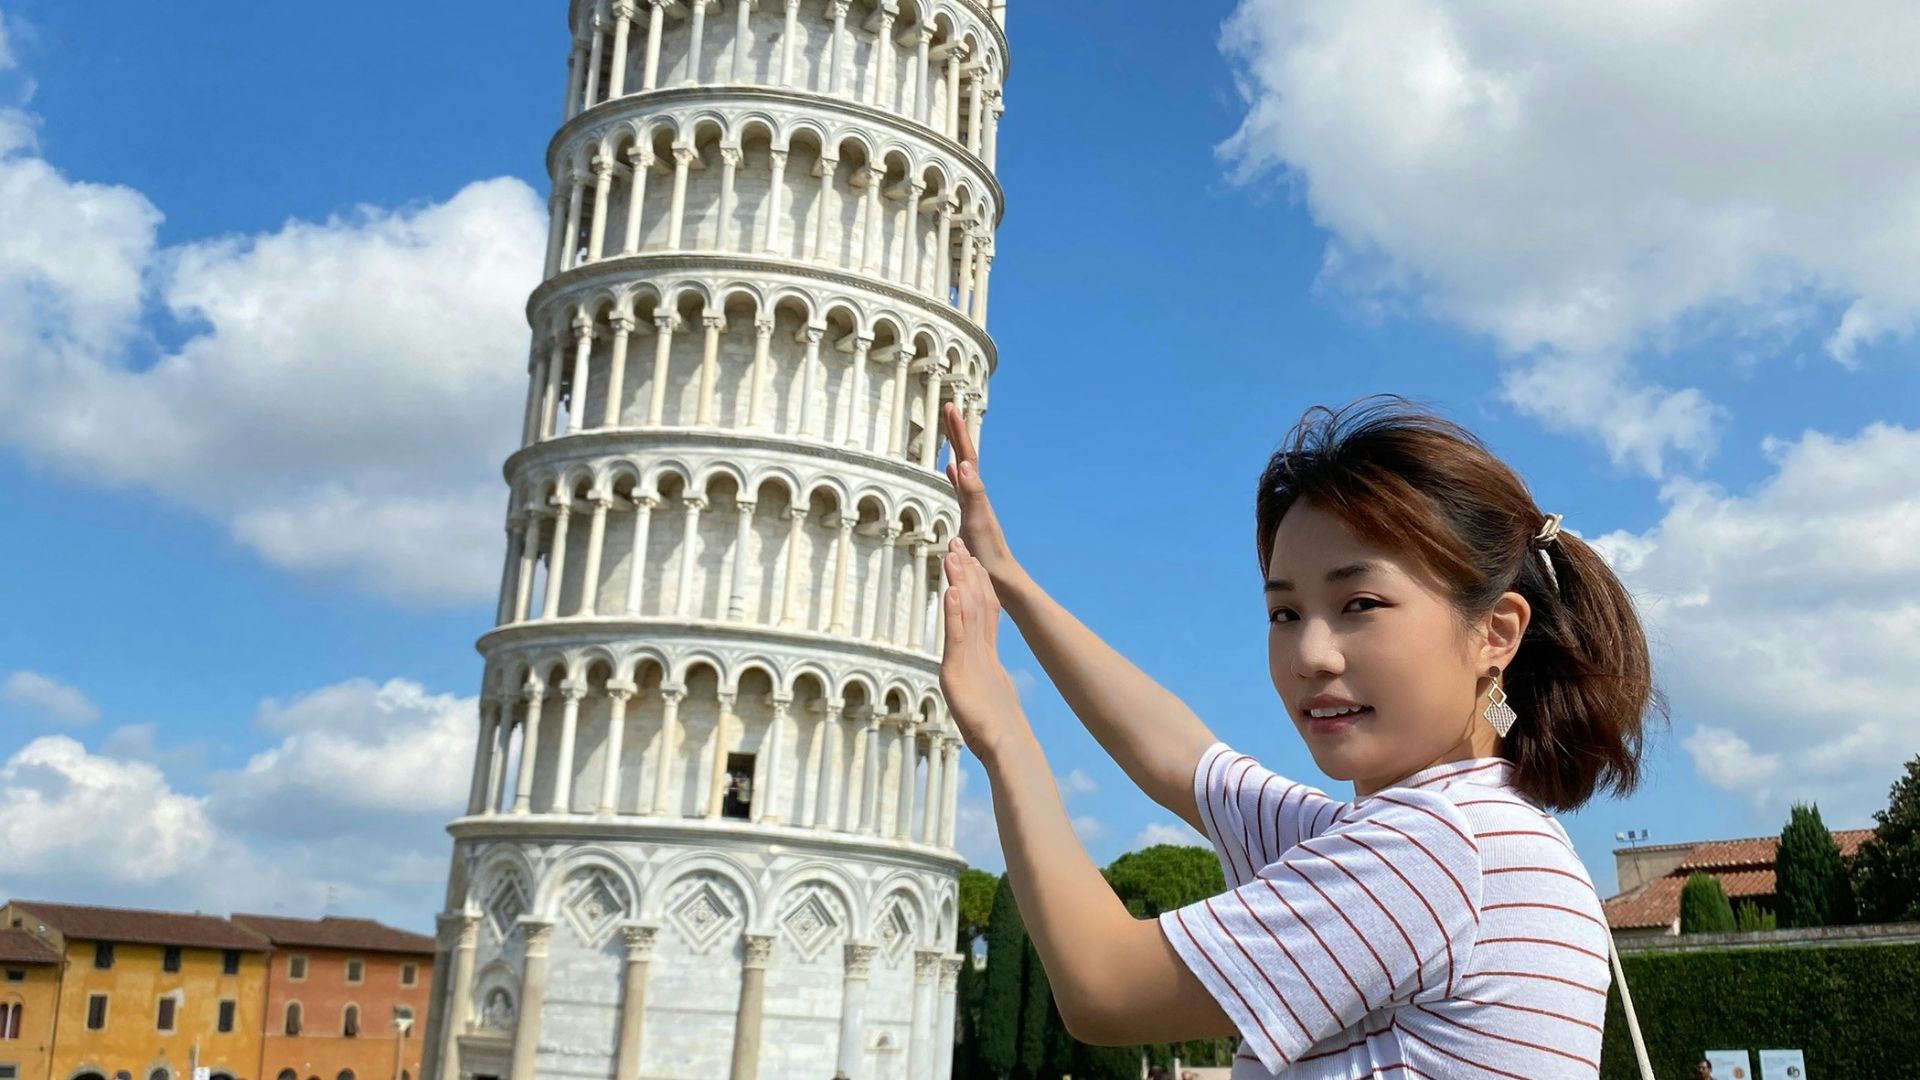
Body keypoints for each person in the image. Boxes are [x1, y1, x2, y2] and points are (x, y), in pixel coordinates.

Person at [934, 395, 1662, 1078]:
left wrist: (1003, 732)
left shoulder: (1432, 851)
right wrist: (1007, 574)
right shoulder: (1481, 830)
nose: (1311, 654)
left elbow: (1103, 985)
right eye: (1285, 614)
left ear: (1494, 633)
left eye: (1360, 603)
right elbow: (1186, 761)